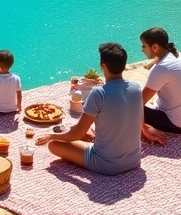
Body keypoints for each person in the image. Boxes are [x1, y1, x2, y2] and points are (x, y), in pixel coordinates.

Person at [35, 42, 142, 174]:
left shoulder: (99, 92)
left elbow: (78, 134)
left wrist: (51, 136)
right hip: (134, 160)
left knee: (54, 145)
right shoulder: (136, 87)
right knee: (91, 129)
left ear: (103, 65)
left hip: (106, 164)